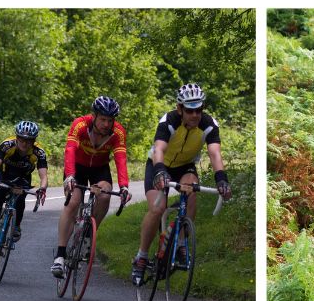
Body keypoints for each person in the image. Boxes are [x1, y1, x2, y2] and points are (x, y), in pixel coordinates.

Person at [131, 83, 231, 285]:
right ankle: (141, 256)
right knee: (158, 208)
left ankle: (182, 243)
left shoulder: (209, 124)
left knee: (192, 190)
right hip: (159, 165)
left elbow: (215, 154)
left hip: (185, 166)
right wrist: (159, 171)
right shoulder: (169, 120)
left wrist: (222, 179)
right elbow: (159, 149)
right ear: (180, 109)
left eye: (199, 110)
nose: (195, 115)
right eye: (189, 110)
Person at [53, 96, 131, 279]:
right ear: (94, 116)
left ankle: (88, 234)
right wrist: (70, 176)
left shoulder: (118, 133)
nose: (106, 124)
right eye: (103, 119)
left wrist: (124, 186)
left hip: (99, 169)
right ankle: (60, 254)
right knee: (73, 202)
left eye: (110, 120)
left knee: (104, 195)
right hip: (77, 168)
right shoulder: (80, 124)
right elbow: (70, 149)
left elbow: (121, 159)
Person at [0, 120, 48, 267]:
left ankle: (16, 225)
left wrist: (42, 188)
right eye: (21, 139)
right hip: (4, 176)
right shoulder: (7, 145)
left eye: (28, 141)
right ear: (17, 137)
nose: (24, 143)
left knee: (20, 199)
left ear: (34, 141)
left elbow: (43, 176)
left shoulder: (39, 152)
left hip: (22, 178)